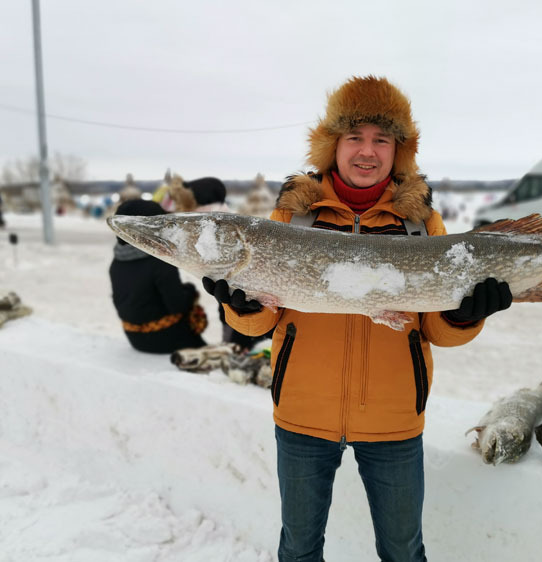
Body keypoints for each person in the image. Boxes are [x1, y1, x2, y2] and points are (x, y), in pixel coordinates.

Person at [202, 75, 512, 562]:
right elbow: (262, 322)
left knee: (403, 552)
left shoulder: (420, 223)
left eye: (381, 140)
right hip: (302, 416)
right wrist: (241, 310)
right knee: (299, 549)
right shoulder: (292, 217)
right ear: (334, 145)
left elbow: (434, 330)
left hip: (394, 420)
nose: (367, 152)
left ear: (397, 151)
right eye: (355, 138)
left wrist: (462, 315)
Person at [179, 176, 273, 351]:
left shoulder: (212, 226)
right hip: (242, 303)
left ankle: (237, 347)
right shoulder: (225, 221)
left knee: (231, 311)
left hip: (245, 304)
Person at [109, 199, 207, 354]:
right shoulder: (160, 261)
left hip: (134, 337)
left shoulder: (118, 260)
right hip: (165, 338)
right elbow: (177, 305)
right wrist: (189, 292)